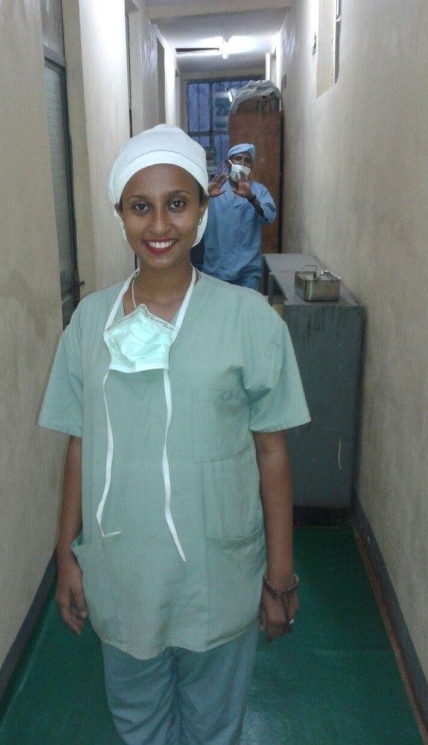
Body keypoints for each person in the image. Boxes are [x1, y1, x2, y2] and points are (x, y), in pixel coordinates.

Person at [38, 124, 310, 743]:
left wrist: (280, 576)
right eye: (141, 207)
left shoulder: (249, 320)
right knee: (139, 723)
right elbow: (79, 443)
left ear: (203, 211)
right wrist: (65, 555)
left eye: (177, 204)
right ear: (121, 215)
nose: (159, 224)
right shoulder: (89, 323)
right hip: (122, 573)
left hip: (218, 576)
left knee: (215, 726)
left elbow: (271, 452)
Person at [202, 143, 277, 291]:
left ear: (252, 166)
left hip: (248, 272)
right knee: (219, 312)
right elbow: (191, 215)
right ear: (228, 163)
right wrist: (204, 197)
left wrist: (251, 198)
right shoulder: (213, 190)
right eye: (238, 159)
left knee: (246, 312)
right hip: (216, 268)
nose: (242, 163)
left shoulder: (258, 191)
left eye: (247, 160)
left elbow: (269, 217)